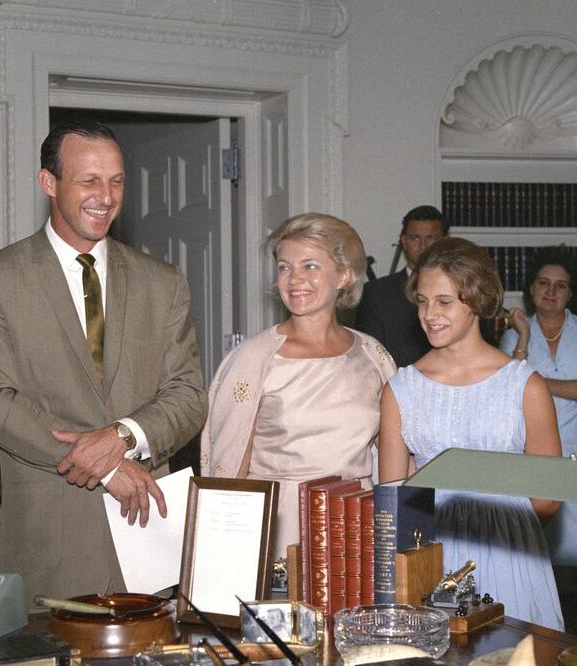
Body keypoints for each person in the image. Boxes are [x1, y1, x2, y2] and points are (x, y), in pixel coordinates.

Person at [0, 118, 207, 599]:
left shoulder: (164, 282)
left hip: (150, 544)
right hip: (52, 546)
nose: (106, 196)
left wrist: (123, 436)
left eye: (116, 180)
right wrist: (108, 467)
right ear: (48, 182)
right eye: (89, 180)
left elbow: (188, 395)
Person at [379, 237, 564, 630]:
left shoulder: (525, 386)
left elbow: (547, 502)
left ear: (477, 301)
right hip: (432, 558)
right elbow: (393, 505)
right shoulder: (401, 389)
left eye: (444, 302)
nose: (430, 314)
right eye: (423, 301)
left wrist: (499, 516)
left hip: (511, 554)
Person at [201, 213, 395, 557]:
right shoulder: (252, 360)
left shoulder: (373, 356)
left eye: (310, 266)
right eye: (284, 267)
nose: (294, 280)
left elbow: (393, 462)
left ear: (345, 275)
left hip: (358, 528)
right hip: (281, 531)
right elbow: (228, 472)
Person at [500, 246, 577, 567]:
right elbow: (508, 390)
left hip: (574, 453)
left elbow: (523, 382)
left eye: (560, 285)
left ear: (570, 293)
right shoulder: (515, 335)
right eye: (543, 283)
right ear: (531, 289)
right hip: (531, 455)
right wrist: (524, 336)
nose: (551, 291)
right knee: (534, 555)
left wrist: (534, 383)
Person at [355, 205, 448, 367]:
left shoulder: (462, 290)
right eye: (415, 238)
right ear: (403, 241)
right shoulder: (376, 294)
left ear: (445, 241)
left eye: (432, 238)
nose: (423, 246)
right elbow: (366, 359)